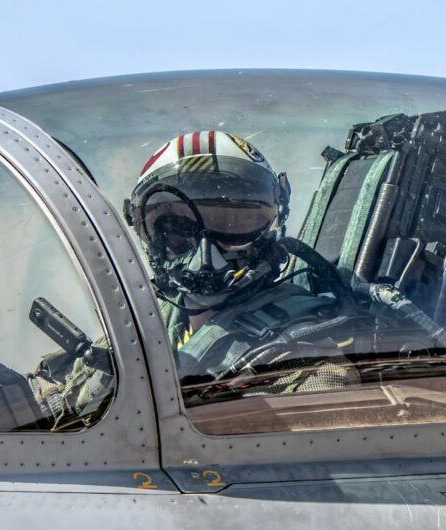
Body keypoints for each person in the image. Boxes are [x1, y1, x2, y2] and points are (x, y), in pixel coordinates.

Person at [123, 131, 357, 394]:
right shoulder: (138, 336)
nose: (206, 257)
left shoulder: (305, 359)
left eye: (232, 224)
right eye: (176, 228)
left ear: (271, 228)